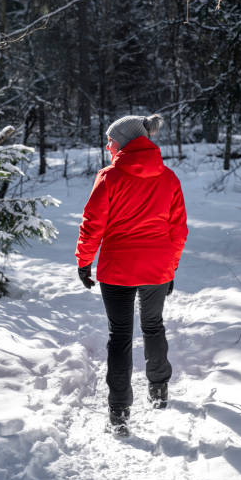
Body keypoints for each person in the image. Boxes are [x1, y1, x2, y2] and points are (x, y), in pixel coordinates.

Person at [75, 114, 188, 434]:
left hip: (118, 271)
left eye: (111, 139)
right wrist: (171, 267)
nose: (107, 145)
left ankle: (119, 410)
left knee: (120, 337)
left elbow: (92, 224)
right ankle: (159, 388)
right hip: (157, 269)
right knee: (153, 325)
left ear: (124, 141)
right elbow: (178, 230)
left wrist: (84, 261)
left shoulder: (109, 177)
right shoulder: (169, 178)